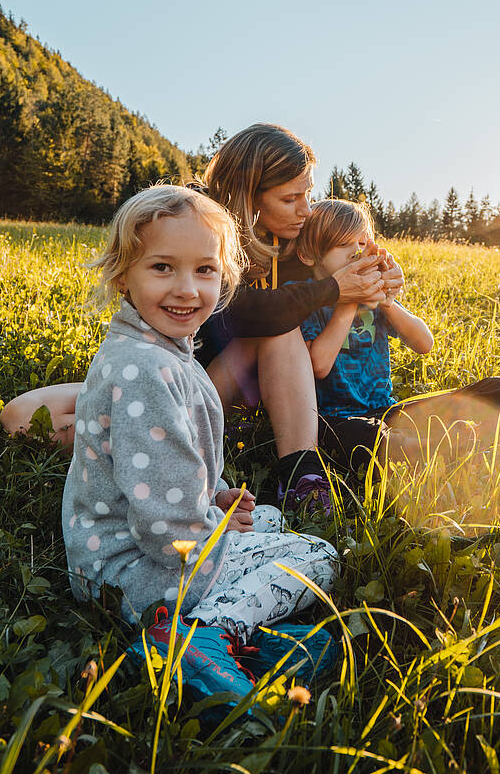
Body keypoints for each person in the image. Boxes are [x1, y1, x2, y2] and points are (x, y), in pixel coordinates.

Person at [1, 123, 399, 514]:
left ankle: (298, 469)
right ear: (249, 196)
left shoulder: (293, 238)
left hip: (225, 383)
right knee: (21, 417)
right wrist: (333, 290)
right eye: (291, 198)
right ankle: (157, 434)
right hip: (170, 376)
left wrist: (380, 272)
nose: (305, 210)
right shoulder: (199, 230)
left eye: (306, 194)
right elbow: (245, 309)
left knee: (279, 327)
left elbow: (335, 259)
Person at [44, 184, 339, 707]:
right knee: (313, 555)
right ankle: (200, 636)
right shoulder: (143, 370)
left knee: (267, 520)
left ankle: (249, 644)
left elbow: (172, 463)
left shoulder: (163, 351)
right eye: (162, 268)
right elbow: (166, 525)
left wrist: (218, 500)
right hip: (133, 571)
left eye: (204, 270)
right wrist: (213, 531)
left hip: (128, 549)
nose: (186, 289)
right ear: (122, 275)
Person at [293, 199, 500, 472]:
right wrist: (348, 302)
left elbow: (424, 344)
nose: (356, 253)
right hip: (335, 419)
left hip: (388, 411)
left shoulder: (374, 294)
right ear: (309, 254)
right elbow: (318, 365)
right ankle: (434, 449)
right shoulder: (304, 296)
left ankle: (436, 445)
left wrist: (388, 302)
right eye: (344, 245)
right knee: (361, 437)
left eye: (362, 244)